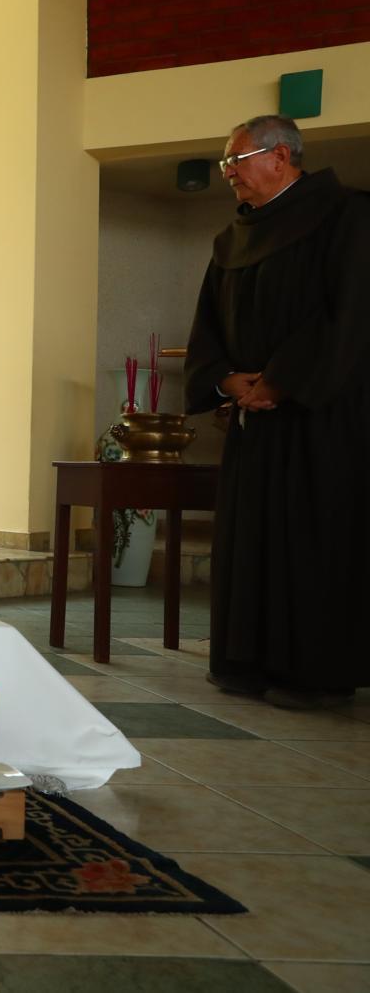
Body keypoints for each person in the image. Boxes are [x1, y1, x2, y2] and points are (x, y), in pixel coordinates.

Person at [184, 115, 370, 709]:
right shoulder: (231, 238)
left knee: (311, 542)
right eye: (225, 164)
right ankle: (244, 660)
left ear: (281, 156)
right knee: (249, 541)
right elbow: (208, 324)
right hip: (253, 417)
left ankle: (311, 673)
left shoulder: (347, 215)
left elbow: (348, 313)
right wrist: (222, 379)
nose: (229, 174)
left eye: (236, 160)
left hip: (322, 419)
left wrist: (283, 381)